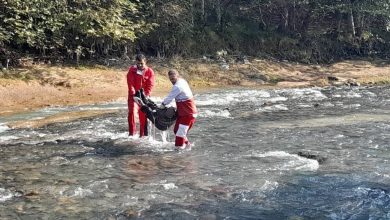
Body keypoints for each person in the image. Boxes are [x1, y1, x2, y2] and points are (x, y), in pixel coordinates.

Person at [161, 69, 198, 150]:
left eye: (173, 79)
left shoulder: (178, 86)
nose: (172, 81)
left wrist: (162, 105)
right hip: (182, 113)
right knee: (176, 130)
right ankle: (188, 145)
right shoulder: (182, 81)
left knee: (180, 135)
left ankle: (178, 153)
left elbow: (169, 98)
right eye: (170, 79)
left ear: (178, 76)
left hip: (189, 114)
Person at [127, 54, 155, 137]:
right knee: (132, 112)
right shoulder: (132, 70)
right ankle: (131, 134)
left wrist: (145, 96)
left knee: (143, 115)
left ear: (145, 62)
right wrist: (133, 94)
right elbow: (130, 83)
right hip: (133, 96)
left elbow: (150, 85)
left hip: (144, 96)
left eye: (141, 63)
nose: (139, 65)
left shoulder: (150, 71)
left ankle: (142, 135)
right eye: (138, 63)